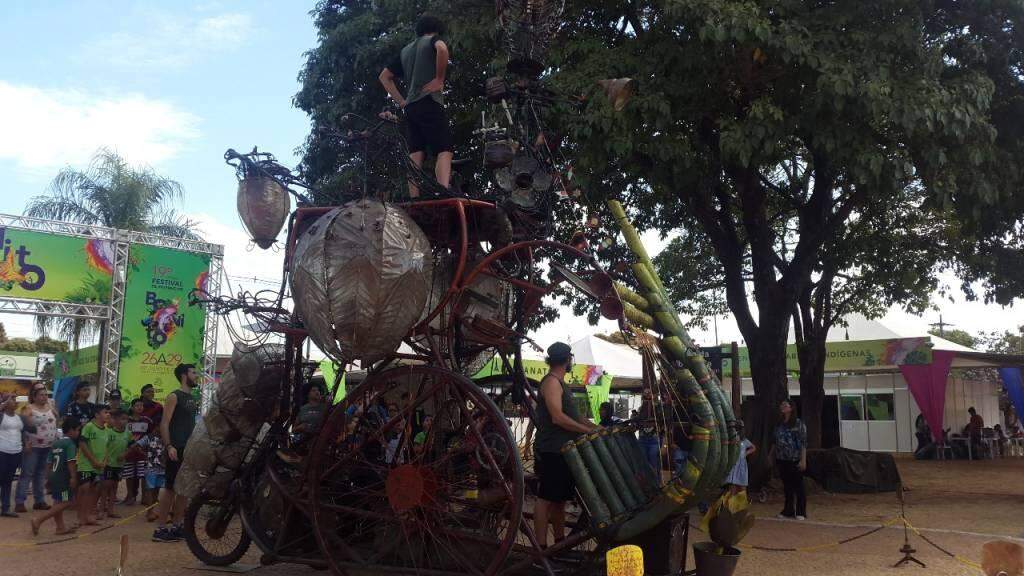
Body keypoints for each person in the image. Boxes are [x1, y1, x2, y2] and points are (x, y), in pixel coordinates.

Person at [379, 14, 453, 197]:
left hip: (411, 107)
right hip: (429, 101)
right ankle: (444, 191)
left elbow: (384, 77)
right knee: (444, 149)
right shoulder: (433, 40)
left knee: (416, 150)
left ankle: (414, 197)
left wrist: (402, 101)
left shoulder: (405, 51)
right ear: (436, 29)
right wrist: (439, 79)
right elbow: (442, 49)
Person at [534, 342, 598, 548]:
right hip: (552, 450)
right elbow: (558, 418)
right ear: (566, 359)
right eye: (571, 358)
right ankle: (541, 548)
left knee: (559, 500)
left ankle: (559, 543)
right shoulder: (552, 382)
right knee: (545, 499)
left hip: (564, 451)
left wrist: (597, 428)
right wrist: (587, 431)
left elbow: (578, 417)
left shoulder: (561, 383)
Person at [152, 363, 199, 543]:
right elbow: (164, 423)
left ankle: (177, 525)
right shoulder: (174, 396)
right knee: (170, 488)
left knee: (184, 489)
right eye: (193, 372)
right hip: (176, 448)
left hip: (189, 449)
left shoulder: (193, 398)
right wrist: (169, 446)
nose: (196, 375)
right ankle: (160, 528)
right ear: (183, 375)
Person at [31, 417, 81, 536]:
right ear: (71, 430)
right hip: (63, 477)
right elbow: (71, 462)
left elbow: (49, 463)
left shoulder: (56, 443)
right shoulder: (70, 444)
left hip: (54, 475)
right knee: (67, 502)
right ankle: (39, 520)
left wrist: (48, 478)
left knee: (58, 501)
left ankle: (60, 527)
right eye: (78, 430)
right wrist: (73, 477)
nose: (79, 433)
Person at [16, 385, 59, 513]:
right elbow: (22, 427)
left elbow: (57, 419)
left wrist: (52, 408)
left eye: (46, 394)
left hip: (48, 447)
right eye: (41, 395)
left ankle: (39, 501)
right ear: (34, 397)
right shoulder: (28, 409)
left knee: (40, 474)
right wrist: (25, 443)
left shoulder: (49, 407)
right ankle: (19, 501)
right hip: (33, 447)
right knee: (27, 474)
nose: (44, 397)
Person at [770, 399, 807, 520]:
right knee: (787, 486)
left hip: (795, 458)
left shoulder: (798, 424)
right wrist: (771, 456)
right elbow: (774, 442)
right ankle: (788, 510)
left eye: (785, 405)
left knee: (798, 485)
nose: (782, 407)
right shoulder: (779, 424)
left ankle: (801, 511)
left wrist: (803, 460)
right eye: (782, 405)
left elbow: (803, 443)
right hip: (782, 459)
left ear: (791, 408)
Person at [76, 404, 110, 525]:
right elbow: (82, 444)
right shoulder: (89, 427)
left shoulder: (106, 430)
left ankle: (89, 515)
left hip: (99, 466)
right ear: (97, 415)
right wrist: (93, 461)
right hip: (86, 464)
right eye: (105, 412)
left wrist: (105, 461)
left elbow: (106, 448)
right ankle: (80, 516)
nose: (108, 414)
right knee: (84, 489)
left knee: (94, 490)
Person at [121, 398, 153, 505]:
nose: (140, 407)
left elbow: (150, 435)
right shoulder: (127, 420)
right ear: (132, 407)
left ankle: (144, 497)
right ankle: (130, 496)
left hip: (142, 453)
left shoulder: (147, 420)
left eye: (141, 405)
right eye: (137, 405)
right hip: (129, 452)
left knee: (143, 475)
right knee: (129, 474)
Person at [0, 393, 27, 517]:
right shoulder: (2, 416)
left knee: (8, 481)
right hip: (2, 452)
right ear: (5, 403)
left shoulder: (19, 417)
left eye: (15, 399)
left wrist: (25, 443)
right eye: (12, 399)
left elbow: (23, 431)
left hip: (15, 452)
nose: (15, 401)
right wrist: (4, 403)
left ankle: (5, 508)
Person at [102, 410, 131, 518]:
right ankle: (101, 509)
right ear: (116, 420)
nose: (125, 421)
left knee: (115, 486)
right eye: (123, 419)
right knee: (106, 486)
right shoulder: (109, 432)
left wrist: (125, 454)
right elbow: (104, 447)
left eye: (126, 419)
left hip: (119, 465)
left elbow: (131, 446)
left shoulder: (128, 433)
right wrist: (104, 460)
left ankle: (111, 510)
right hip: (109, 464)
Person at [724, 421, 757, 495]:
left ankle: (741, 502)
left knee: (742, 483)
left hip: (741, 463)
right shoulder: (732, 438)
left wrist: (745, 453)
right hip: (733, 462)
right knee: (733, 483)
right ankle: (732, 502)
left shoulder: (744, 440)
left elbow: (753, 447)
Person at [140, 429, 165, 522]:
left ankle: (151, 511)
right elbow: (136, 446)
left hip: (161, 468)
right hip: (150, 467)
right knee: (150, 490)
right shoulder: (148, 437)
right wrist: (145, 454)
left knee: (156, 490)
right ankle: (149, 512)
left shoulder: (165, 437)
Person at [637, 388, 662, 473]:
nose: (647, 395)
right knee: (643, 462)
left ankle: (656, 482)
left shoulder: (657, 408)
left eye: (649, 393)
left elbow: (662, 422)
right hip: (643, 438)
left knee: (654, 461)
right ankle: (647, 483)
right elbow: (638, 421)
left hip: (653, 439)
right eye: (645, 394)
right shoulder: (640, 408)